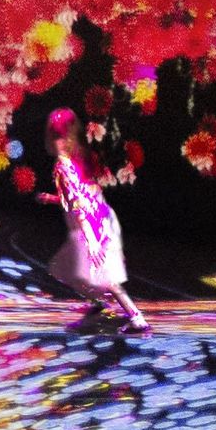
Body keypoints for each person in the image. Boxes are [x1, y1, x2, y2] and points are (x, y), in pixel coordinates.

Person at [42, 107, 146, 331]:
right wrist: (51, 199)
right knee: (73, 271)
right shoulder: (68, 163)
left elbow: (80, 204)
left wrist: (92, 240)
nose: (59, 142)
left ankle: (136, 318)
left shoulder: (65, 166)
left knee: (104, 276)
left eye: (61, 136)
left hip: (94, 224)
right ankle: (99, 305)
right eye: (57, 136)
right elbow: (73, 198)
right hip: (89, 223)